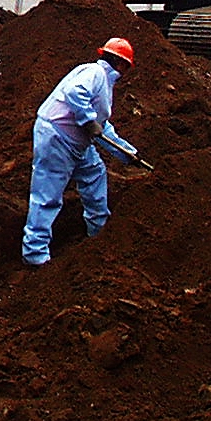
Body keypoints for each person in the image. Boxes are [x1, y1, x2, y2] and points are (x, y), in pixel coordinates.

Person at [21, 37, 137, 267]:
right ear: (119, 63)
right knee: (47, 195)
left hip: (78, 144)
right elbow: (76, 93)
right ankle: (35, 254)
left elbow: (102, 128)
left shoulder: (105, 83)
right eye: (126, 67)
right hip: (57, 138)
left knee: (95, 174)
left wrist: (127, 153)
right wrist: (87, 120)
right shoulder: (94, 73)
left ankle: (99, 233)